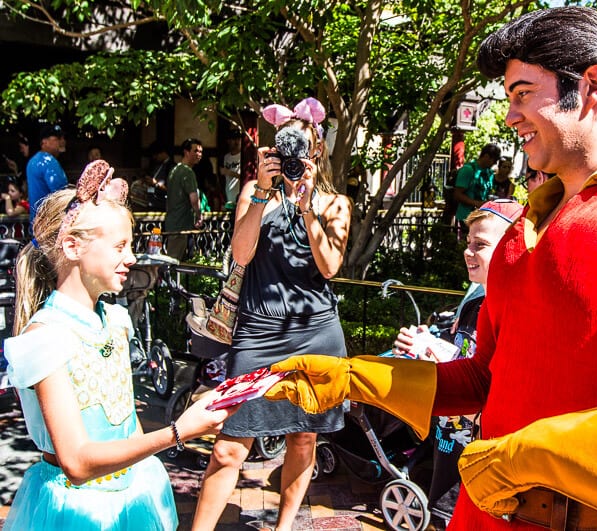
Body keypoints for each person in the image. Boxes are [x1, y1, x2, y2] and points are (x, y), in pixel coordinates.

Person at [265, 7, 597, 531]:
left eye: (523, 93)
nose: (510, 116)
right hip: (478, 513)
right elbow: (487, 377)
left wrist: (531, 457)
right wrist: (356, 378)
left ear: (593, 83)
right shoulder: (520, 232)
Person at [2, 159, 238, 530]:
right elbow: (77, 463)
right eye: (119, 247)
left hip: (132, 495)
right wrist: (179, 431)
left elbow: (127, 425)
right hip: (76, 513)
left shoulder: (115, 321)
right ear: (72, 246)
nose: (131, 258)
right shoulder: (45, 338)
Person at [192, 97, 352, 531]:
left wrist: (305, 204)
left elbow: (330, 267)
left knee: (303, 436)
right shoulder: (252, 192)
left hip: (316, 331)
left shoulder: (335, 202)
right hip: (258, 331)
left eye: (303, 144)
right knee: (229, 446)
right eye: (287, 145)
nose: (295, 153)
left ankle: (284, 527)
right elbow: (240, 256)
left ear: (316, 150)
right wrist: (263, 194)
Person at [393, 198, 523, 512]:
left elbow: (493, 390)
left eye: (480, 244)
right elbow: (464, 353)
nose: (468, 252)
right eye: (468, 243)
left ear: (511, 248)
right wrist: (425, 346)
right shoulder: (476, 302)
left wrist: (433, 361)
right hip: (451, 442)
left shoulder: (515, 314)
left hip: (479, 459)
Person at [164, 138, 204, 261]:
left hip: (172, 221)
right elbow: (193, 198)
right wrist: (199, 215)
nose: (199, 154)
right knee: (174, 261)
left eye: (201, 152)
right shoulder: (187, 172)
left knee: (172, 258)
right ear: (186, 152)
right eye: (195, 151)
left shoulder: (174, 170)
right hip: (180, 224)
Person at [453, 143, 500, 236]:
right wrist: (477, 203)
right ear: (486, 156)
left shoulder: (489, 173)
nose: (494, 164)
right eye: (493, 161)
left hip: (482, 217)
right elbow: (457, 195)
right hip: (465, 217)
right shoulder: (468, 170)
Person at [26, 124, 68, 224]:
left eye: (63, 137)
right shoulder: (49, 161)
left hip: (37, 223)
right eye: (57, 138)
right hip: (51, 224)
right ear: (44, 142)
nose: (62, 141)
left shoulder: (33, 161)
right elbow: (62, 194)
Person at [144, 143, 174, 211]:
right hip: (152, 199)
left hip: (163, 201)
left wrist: (156, 183)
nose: (154, 157)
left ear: (163, 153)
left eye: (156, 155)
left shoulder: (171, 166)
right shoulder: (156, 164)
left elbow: (171, 188)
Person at [220, 131, 242, 210]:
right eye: (233, 139)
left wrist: (229, 172)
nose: (236, 142)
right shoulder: (226, 157)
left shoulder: (243, 156)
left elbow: (247, 177)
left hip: (240, 194)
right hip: (229, 193)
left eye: (238, 139)